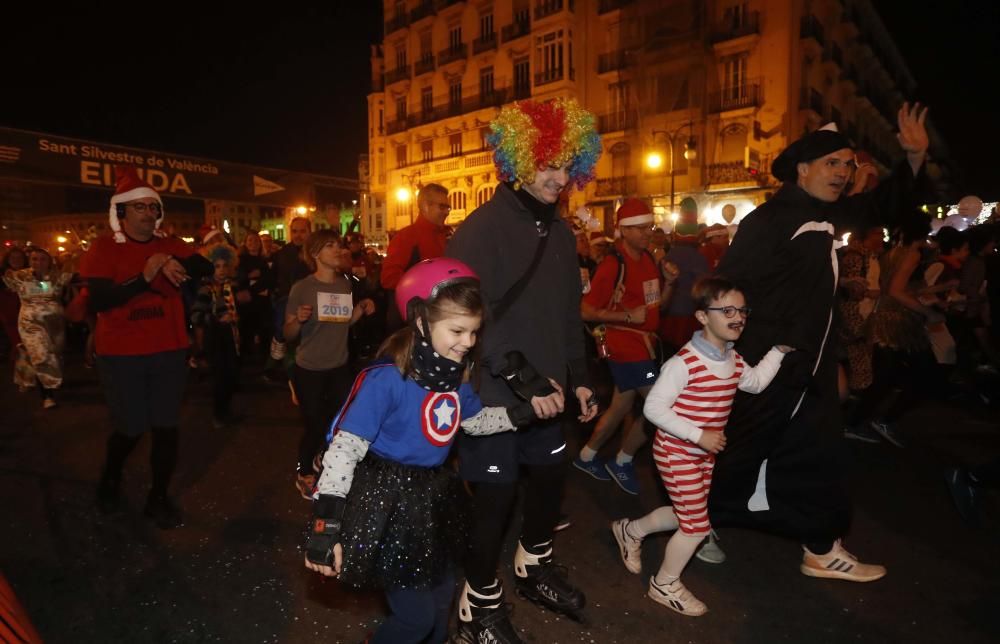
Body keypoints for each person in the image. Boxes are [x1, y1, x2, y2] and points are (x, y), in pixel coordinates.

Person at [710, 103, 930, 580]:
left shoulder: (827, 216)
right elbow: (725, 289)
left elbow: (882, 204)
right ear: (803, 169)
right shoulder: (769, 221)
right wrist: (727, 359)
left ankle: (818, 545)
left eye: (847, 165)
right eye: (833, 163)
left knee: (817, 455)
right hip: (768, 369)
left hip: (808, 370)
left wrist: (912, 159)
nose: (843, 173)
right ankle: (679, 519)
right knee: (740, 455)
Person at [303, 259, 537, 644]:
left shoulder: (453, 375)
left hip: (433, 497)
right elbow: (343, 450)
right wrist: (326, 527)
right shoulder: (386, 380)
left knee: (442, 600)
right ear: (421, 321)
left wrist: (520, 414)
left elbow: (473, 422)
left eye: (475, 332)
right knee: (414, 620)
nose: (469, 342)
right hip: (387, 501)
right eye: (458, 330)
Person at [446, 97, 601, 642]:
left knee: (551, 482)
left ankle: (533, 566)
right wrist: (520, 377)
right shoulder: (480, 228)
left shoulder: (560, 232)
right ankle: (478, 601)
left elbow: (565, 314)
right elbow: (466, 316)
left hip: (552, 394)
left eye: (566, 165)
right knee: (494, 501)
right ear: (515, 160)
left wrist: (579, 376)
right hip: (495, 394)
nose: (559, 177)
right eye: (547, 163)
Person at [612, 277, 790, 616]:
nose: (737, 317)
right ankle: (664, 584)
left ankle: (629, 530)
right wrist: (698, 435)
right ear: (702, 317)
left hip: (702, 455)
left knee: (685, 517)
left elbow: (753, 383)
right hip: (676, 452)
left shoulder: (732, 359)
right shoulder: (685, 362)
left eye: (742, 310)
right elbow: (652, 409)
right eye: (726, 310)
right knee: (696, 526)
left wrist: (778, 352)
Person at [82, 165, 212, 529]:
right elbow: (99, 300)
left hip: (168, 349)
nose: (148, 213)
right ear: (121, 212)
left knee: (167, 427)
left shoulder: (168, 244)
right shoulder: (103, 248)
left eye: (153, 207)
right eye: (139, 207)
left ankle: (158, 497)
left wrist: (168, 258)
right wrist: (146, 274)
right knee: (131, 428)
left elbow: (204, 266)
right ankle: (110, 479)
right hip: (121, 354)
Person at [575, 198, 672, 495]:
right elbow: (586, 311)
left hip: (644, 347)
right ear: (625, 231)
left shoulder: (648, 261)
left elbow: (656, 309)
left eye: (650, 227)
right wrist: (627, 315)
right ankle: (623, 461)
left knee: (621, 406)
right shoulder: (611, 265)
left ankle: (586, 456)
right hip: (624, 347)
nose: (648, 233)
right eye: (641, 228)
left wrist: (669, 283)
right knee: (659, 406)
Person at [284, 230, 376, 499]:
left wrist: (361, 309)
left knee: (338, 422)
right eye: (330, 246)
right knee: (314, 423)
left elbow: (343, 323)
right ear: (315, 254)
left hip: (339, 366)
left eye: (339, 245)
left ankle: (324, 463)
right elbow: (287, 333)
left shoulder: (344, 284)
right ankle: (303, 472)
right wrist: (297, 320)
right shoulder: (302, 288)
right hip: (309, 367)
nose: (338, 250)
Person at [3, 247, 72, 406]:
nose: (38, 262)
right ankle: (47, 395)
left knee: (54, 353)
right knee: (41, 354)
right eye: (34, 259)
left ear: (49, 261)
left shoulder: (58, 276)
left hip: (55, 323)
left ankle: (29, 377)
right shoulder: (19, 276)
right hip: (30, 323)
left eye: (43, 259)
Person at [380, 183, 451, 329]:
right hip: (413, 322)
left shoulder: (446, 236)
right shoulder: (406, 237)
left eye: (448, 207)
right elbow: (388, 278)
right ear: (425, 206)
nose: (447, 212)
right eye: (442, 207)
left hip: (438, 318)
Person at [190, 244, 243, 428]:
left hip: (231, 338)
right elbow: (196, 315)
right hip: (214, 338)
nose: (221, 270)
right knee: (221, 379)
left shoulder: (231, 286)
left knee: (230, 377)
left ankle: (225, 411)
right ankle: (218, 415)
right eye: (217, 266)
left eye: (224, 266)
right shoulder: (206, 288)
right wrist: (216, 318)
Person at [266, 216, 312, 381]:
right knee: (283, 332)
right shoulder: (282, 253)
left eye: (302, 231)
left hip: (311, 300)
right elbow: (271, 277)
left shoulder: (315, 253)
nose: (298, 235)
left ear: (309, 232)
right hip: (286, 299)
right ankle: (276, 367)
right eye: (294, 231)